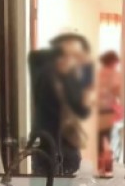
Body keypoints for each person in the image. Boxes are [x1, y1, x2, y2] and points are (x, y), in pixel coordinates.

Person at [28, 32, 92, 175]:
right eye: (66, 53)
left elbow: (83, 111)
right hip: (44, 147)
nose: (71, 59)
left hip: (69, 147)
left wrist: (86, 67)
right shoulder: (42, 71)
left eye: (75, 55)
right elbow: (34, 58)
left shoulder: (71, 78)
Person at [96, 49, 124, 173]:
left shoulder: (98, 74)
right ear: (113, 61)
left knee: (101, 142)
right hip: (109, 112)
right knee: (110, 141)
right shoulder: (115, 74)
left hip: (98, 113)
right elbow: (118, 91)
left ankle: (101, 168)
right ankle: (108, 168)